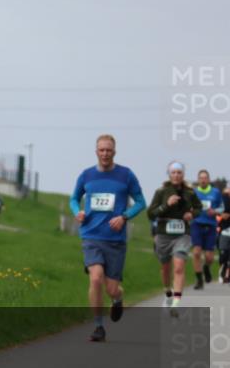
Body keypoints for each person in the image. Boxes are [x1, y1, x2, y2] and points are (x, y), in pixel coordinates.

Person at [68, 134, 146, 342]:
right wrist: (78, 211)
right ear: (96, 152)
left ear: (114, 152)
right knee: (95, 279)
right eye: (101, 150)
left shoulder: (126, 175)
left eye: (108, 150)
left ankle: (118, 299)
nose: (105, 154)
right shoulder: (86, 175)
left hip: (115, 240)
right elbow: (74, 199)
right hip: (91, 235)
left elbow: (140, 202)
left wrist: (124, 216)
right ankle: (98, 327)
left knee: (111, 288)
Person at [147, 162, 201, 316]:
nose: (176, 175)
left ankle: (176, 303)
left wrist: (192, 214)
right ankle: (167, 292)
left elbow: (198, 208)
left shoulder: (190, 192)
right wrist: (166, 205)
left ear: (183, 174)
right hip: (163, 234)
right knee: (165, 268)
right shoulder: (161, 191)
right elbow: (151, 214)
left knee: (178, 266)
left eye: (179, 172)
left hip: (182, 234)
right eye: (173, 172)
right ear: (169, 174)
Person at [190, 169, 224, 290]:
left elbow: (222, 207)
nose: (203, 180)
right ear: (198, 180)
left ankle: (206, 268)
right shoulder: (193, 192)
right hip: (196, 224)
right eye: (201, 178)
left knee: (209, 257)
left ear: (208, 180)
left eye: (205, 178)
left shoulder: (215, 192)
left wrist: (215, 211)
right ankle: (199, 279)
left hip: (211, 225)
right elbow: (188, 206)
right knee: (197, 252)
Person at [219, 183, 230, 284]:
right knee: (223, 255)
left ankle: (227, 276)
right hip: (225, 231)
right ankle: (222, 270)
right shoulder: (224, 199)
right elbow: (221, 213)